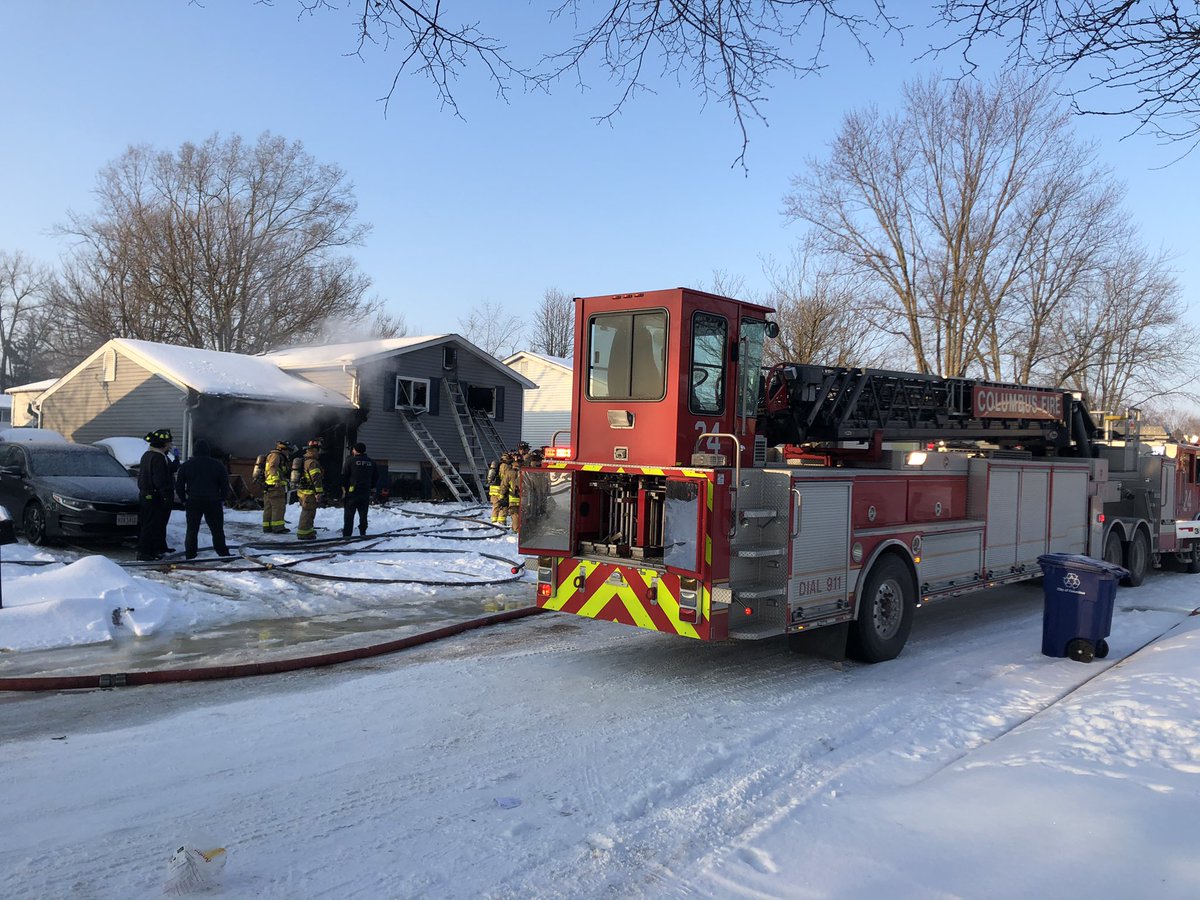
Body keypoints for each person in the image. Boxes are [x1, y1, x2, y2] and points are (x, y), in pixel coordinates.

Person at [175, 438, 232, 560]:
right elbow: (225, 484)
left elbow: (179, 485)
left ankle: (190, 554)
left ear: (194, 451)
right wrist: (222, 499)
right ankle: (222, 552)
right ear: (208, 451)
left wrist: (183, 500)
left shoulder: (186, 465)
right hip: (213, 501)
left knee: (192, 529)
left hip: (193, 500)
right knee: (217, 529)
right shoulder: (218, 465)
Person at [137, 428, 176, 560]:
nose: (171, 445)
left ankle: (159, 547)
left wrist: (176, 459)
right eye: (169, 443)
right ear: (164, 444)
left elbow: (169, 469)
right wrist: (166, 495)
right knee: (151, 525)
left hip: (147, 495)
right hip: (154, 497)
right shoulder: (158, 457)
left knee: (158, 524)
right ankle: (145, 552)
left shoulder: (148, 455)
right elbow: (160, 479)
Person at [341, 442, 379, 537]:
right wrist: (370, 486)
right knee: (363, 514)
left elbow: (344, 476)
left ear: (355, 450)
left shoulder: (350, 461)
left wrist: (344, 489)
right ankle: (363, 532)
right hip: (365, 492)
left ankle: (347, 534)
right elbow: (376, 476)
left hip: (352, 493)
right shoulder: (371, 462)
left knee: (349, 515)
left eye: (353, 449)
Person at [261, 440, 295, 534]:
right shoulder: (276, 455)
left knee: (269, 507)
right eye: (288, 450)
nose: (288, 453)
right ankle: (278, 527)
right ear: (283, 449)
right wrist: (277, 480)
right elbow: (272, 467)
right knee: (278, 507)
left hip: (269, 485)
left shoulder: (273, 455)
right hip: (275, 486)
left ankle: (267, 527)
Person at [294, 439, 325, 540]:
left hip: (303, 491)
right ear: (314, 450)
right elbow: (316, 479)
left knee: (309, 511)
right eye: (318, 450)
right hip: (309, 492)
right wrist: (319, 492)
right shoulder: (313, 463)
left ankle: (309, 530)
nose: (319, 452)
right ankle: (303, 533)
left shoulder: (305, 460)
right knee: (308, 512)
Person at [500, 450, 522, 533]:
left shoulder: (509, 473)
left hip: (513, 498)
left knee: (515, 514)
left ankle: (516, 530)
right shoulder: (526, 472)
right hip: (525, 498)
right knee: (522, 515)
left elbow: (504, 485)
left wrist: (502, 497)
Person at [486, 457, 504, 524]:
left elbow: (489, 480)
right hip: (499, 490)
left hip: (493, 490)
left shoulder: (493, 471)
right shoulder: (502, 469)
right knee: (501, 506)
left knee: (495, 506)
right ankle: (500, 522)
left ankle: (494, 520)